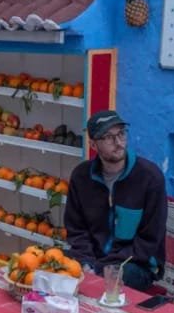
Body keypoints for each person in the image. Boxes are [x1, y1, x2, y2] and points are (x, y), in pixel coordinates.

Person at [64, 109, 167, 292]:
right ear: (93, 145)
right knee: (53, 262)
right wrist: (87, 261)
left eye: (121, 134)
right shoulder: (81, 177)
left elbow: (150, 239)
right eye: (108, 137)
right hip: (93, 258)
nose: (118, 142)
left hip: (135, 264)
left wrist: (103, 267)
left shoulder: (149, 177)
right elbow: (76, 229)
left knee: (113, 279)